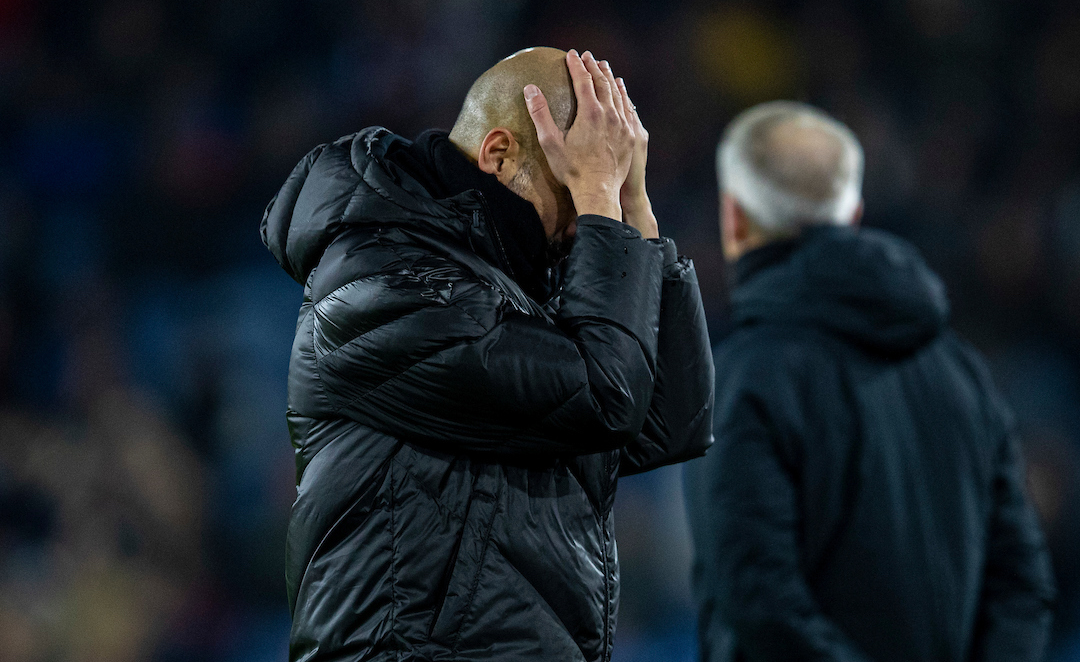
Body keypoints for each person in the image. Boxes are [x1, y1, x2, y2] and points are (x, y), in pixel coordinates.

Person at [261, 47, 713, 662]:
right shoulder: (380, 281)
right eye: (575, 186)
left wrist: (634, 209)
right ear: (498, 155)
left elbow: (670, 422)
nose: (586, 219)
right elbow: (607, 397)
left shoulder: (514, 284)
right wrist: (605, 210)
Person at [683, 101, 1056, 662]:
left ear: (733, 219)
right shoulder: (962, 370)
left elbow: (760, 604)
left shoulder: (743, 378)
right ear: (852, 214)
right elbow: (1023, 585)